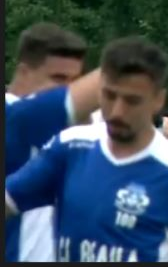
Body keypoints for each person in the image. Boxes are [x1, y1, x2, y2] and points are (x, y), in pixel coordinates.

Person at [4, 36, 168, 262]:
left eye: (132, 101)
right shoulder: (70, 148)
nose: (118, 111)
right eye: (110, 95)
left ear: (158, 100)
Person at [4, 23, 100, 263]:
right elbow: (119, 75)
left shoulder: (66, 127)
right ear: (24, 73)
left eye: (75, 81)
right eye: (58, 78)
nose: (69, 89)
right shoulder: (14, 115)